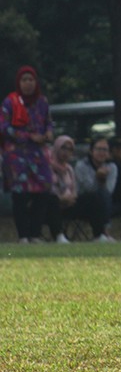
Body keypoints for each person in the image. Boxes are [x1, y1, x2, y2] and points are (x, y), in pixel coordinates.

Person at [1, 65, 54, 242]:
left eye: (31, 79)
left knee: (43, 191)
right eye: (24, 80)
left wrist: (47, 133)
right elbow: (4, 127)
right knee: (20, 195)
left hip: (39, 155)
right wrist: (28, 136)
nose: (28, 84)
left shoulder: (42, 102)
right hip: (17, 156)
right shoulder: (10, 102)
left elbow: (49, 122)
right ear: (19, 82)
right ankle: (23, 235)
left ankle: (35, 233)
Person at [73, 137, 117, 241]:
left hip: (104, 202)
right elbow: (86, 189)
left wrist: (103, 181)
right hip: (82, 202)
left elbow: (109, 191)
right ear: (91, 151)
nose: (101, 153)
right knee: (96, 197)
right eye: (98, 149)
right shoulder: (81, 166)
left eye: (105, 150)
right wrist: (98, 178)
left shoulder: (112, 167)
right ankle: (101, 233)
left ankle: (106, 233)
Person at [45, 135, 78, 243]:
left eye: (70, 149)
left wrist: (72, 197)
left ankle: (100, 234)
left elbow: (73, 188)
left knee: (93, 198)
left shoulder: (69, 169)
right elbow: (48, 188)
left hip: (68, 204)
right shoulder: (47, 166)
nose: (66, 152)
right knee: (52, 200)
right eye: (63, 148)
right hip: (52, 205)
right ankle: (58, 235)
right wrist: (60, 198)